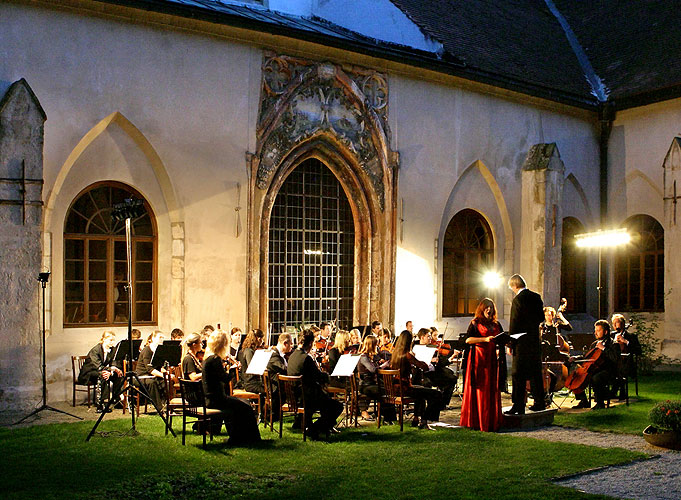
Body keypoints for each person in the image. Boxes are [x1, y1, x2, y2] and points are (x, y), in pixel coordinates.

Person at [202, 330, 261, 445]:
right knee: (246, 407)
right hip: (216, 400)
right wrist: (234, 370)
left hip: (211, 398)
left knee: (244, 404)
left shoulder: (208, 358)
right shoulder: (215, 360)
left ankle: (240, 437)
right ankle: (250, 439)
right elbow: (225, 378)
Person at [287, 329, 343, 439]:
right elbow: (318, 376)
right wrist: (327, 376)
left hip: (295, 395)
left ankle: (309, 424)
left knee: (326, 401)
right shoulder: (306, 358)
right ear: (310, 343)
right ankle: (315, 428)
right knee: (337, 406)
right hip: (307, 397)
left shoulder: (292, 356)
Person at [459, 299, 505, 432]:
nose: (489, 310)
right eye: (486, 308)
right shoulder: (475, 323)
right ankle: (478, 421)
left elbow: (501, 338)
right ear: (481, 309)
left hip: (492, 359)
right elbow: (468, 340)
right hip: (478, 359)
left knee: (491, 388)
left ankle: (491, 421)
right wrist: (485, 339)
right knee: (480, 389)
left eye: (490, 308)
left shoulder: (496, 324)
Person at [506, 274, 545, 415]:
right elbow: (541, 317)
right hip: (534, 341)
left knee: (518, 374)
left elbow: (514, 322)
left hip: (521, 342)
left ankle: (518, 405)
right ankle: (540, 402)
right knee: (535, 373)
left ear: (514, 286)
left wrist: (510, 343)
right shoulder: (536, 297)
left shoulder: (518, 300)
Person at [390, 330, 441, 429]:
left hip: (394, 389)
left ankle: (418, 419)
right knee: (436, 394)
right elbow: (424, 367)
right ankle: (426, 419)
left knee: (421, 391)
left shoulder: (395, 353)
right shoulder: (407, 354)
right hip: (405, 389)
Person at [572, 320, 620, 410]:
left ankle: (600, 403)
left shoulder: (614, 344)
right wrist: (575, 358)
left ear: (605, 332)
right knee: (576, 375)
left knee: (596, 377)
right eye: (595, 330)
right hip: (595, 369)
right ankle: (583, 400)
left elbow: (615, 358)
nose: (595, 333)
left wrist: (603, 348)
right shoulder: (595, 344)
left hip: (609, 371)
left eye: (598, 330)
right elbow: (587, 356)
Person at [77, 331, 124, 412]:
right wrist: (110, 370)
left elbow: (113, 362)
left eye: (113, 340)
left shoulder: (112, 349)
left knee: (118, 375)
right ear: (104, 339)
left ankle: (117, 399)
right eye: (110, 340)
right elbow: (98, 366)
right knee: (103, 375)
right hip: (90, 373)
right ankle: (102, 404)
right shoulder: (95, 350)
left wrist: (111, 371)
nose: (112, 342)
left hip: (103, 370)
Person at [357, 334, 395, 423]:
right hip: (365, 385)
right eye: (376, 344)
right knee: (384, 391)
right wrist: (383, 365)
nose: (377, 347)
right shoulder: (363, 357)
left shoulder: (371, 357)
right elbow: (373, 369)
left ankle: (387, 417)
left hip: (372, 383)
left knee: (388, 389)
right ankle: (387, 417)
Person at [611, 313, 642, 400]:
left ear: (623, 324)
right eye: (613, 323)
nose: (615, 325)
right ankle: (606, 392)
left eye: (617, 323)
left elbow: (638, 351)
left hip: (627, 363)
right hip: (613, 361)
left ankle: (619, 391)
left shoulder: (631, 337)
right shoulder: (611, 336)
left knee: (621, 367)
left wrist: (625, 341)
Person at [134, 330, 166, 411]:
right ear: (153, 338)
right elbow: (150, 369)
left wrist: (167, 373)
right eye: (160, 337)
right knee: (152, 383)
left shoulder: (159, 351)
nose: (161, 339)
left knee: (166, 382)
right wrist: (164, 375)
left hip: (151, 376)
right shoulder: (147, 350)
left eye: (162, 338)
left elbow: (158, 367)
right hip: (141, 376)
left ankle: (167, 405)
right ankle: (159, 408)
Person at [266, 333, 293, 420]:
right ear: (285, 343)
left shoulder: (280, 355)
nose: (292, 346)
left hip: (281, 385)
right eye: (291, 344)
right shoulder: (273, 355)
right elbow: (284, 369)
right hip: (276, 388)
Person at [238, 329, 266, 396]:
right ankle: (262, 406)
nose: (262, 341)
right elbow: (253, 369)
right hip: (251, 384)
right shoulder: (249, 351)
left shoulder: (245, 350)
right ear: (258, 338)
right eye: (262, 339)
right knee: (270, 391)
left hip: (252, 382)